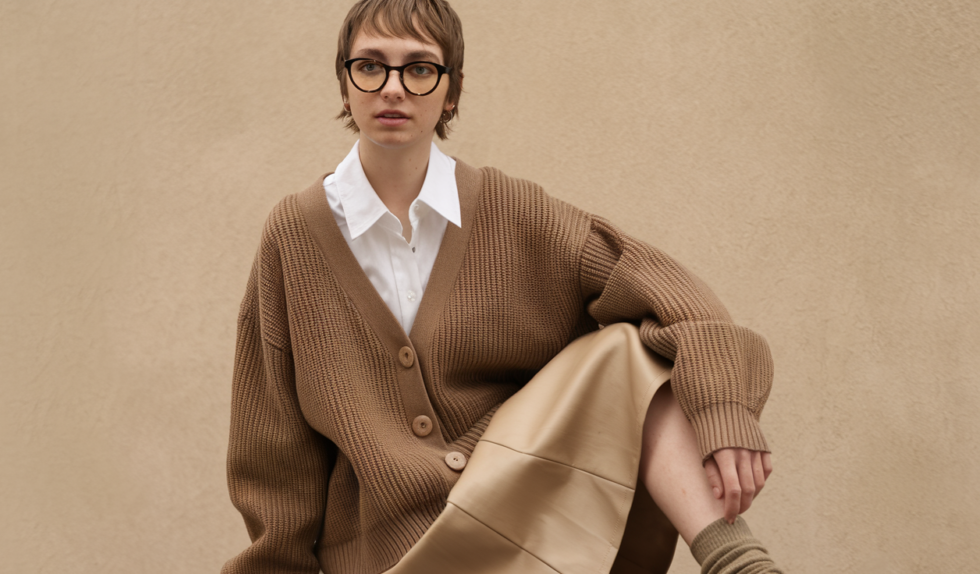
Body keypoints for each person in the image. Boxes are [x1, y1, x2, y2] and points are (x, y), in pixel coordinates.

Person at [222, 1, 786, 572]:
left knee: (628, 350)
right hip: (391, 554)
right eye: (370, 66)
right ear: (345, 84)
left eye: (420, 68)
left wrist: (721, 410)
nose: (392, 88)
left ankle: (734, 560)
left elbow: (676, 299)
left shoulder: (514, 210)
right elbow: (272, 451)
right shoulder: (293, 236)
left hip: (524, 512)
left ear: (453, 91)